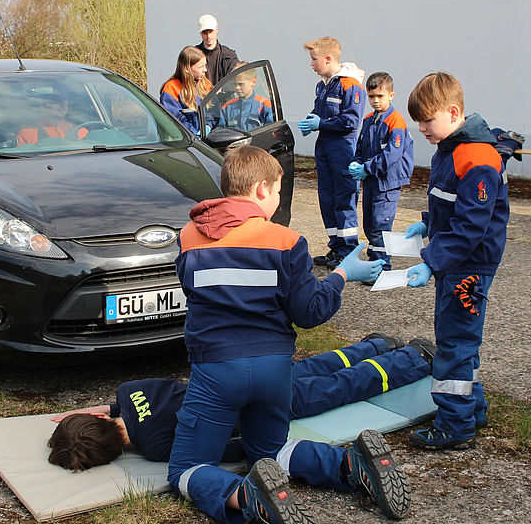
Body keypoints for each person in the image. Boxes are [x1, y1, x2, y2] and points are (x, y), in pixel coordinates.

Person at [166, 145, 405, 524]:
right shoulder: (286, 241)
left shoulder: (189, 237)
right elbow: (309, 313)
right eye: (278, 190)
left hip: (215, 370)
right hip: (274, 370)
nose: (278, 200)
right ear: (262, 189)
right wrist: (341, 276)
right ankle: (350, 464)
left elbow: (193, 292)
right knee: (270, 450)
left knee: (185, 470)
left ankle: (246, 494)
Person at [47, 336, 435, 468]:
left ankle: (414, 360)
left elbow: (223, 448)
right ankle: (377, 344)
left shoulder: (153, 448)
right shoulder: (128, 391)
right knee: (316, 366)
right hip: (244, 373)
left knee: (340, 388)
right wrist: (112, 409)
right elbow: (161, 392)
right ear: (90, 415)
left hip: (253, 405)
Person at [402, 72, 509, 451]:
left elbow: (470, 228)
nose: (421, 128)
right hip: (459, 261)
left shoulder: (475, 156)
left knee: (455, 340)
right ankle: (470, 408)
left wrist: (431, 261)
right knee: (461, 337)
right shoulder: (451, 147)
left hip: (468, 265)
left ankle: (455, 424)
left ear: (452, 112)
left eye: (427, 120)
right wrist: (428, 224)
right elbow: (449, 204)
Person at [298, 37, 366, 270]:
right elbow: (320, 112)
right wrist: (311, 121)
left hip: (343, 150)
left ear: (328, 59)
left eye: (314, 59)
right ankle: (336, 247)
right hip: (325, 149)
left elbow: (351, 120)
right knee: (327, 200)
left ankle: (348, 251)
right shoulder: (323, 85)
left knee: (343, 200)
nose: (311, 64)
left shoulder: (350, 85)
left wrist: (321, 124)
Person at [347, 72, 415, 276]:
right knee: (369, 224)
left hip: (387, 183)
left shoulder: (396, 122)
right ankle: (374, 261)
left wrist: (366, 168)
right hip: (371, 180)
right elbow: (361, 146)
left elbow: (392, 155)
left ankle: (382, 266)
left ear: (391, 95)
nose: (375, 101)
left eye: (380, 96)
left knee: (381, 225)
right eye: (372, 96)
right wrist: (356, 162)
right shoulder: (369, 120)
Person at [161, 46, 213, 135]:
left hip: (207, 138)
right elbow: (174, 119)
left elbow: (214, 112)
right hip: (185, 139)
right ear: (187, 69)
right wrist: (193, 134)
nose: (205, 70)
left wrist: (208, 126)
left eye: (205, 65)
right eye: (201, 67)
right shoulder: (171, 88)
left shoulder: (206, 84)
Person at [216, 64, 274, 131]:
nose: (237, 88)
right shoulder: (227, 107)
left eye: (241, 84)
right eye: (235, 84)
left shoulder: (264, 105)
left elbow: (271, 131)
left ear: (253, 82)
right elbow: (220, 132)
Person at [197, 13, 239, 85]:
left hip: (225, 96)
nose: (208, 36)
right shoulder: (193, 56)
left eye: (211, 31)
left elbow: (236, 79)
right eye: (205, 33)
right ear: (200, 33)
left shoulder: (229, 55)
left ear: (217, 29)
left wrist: (222, 90)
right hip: (199, 96)